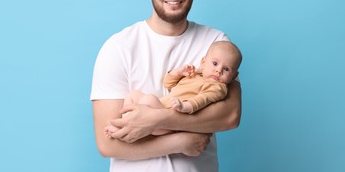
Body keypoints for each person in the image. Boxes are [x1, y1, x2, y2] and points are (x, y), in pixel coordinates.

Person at [90, 0, 242, 172]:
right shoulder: (118, 47)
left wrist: (156, 119)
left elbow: (230, 115)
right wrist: (180, 141)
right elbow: (107, 143)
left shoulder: (216, 43)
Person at [104, 41, 242, 137]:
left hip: (170, 119)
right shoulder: (195, 74)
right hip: (161, 105)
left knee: (149, 99)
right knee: (133, 95)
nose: (218, 71)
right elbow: (168, 84)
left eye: (226, 69)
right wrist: (178, 73)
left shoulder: (218, 87)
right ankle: (124, 124)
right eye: (215, 63)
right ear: (203, 62)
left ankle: (127, 125)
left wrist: (185, 106)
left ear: (234, 75)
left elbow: (203, 100)